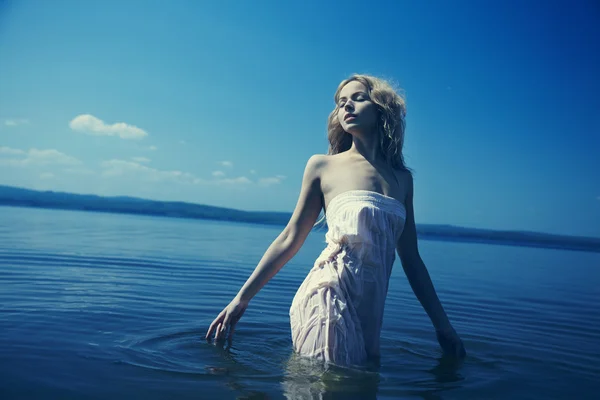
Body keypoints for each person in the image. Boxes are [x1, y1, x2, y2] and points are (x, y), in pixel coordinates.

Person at [205, 74, 466, 367]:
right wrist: (242, 298)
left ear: (381, 107)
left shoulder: (403, 179)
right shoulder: (323, 166)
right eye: (342, 103)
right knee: (324, 388)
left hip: (370, 311)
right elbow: (291, 237)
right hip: (326, 295)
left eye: (357, 98)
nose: (347, 107)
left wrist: (442, 325)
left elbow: (412, 259)